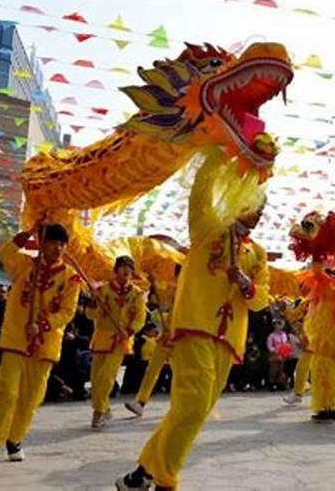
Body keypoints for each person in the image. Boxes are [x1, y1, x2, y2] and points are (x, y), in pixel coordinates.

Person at [117, 201, 270, 491]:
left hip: (228, 341)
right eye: (255, 205)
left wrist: (246, 283)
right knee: (196, 405)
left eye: (264, 209)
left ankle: (141, 474)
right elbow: (200, 194)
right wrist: (219, 160)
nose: (260, 214)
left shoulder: (257, 254)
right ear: (240, 199)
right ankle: (166, 479)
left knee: (190, 412)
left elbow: (261, 299)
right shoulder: (207, 230)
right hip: (195, 329)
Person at [0, 223, 82, 466]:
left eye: (62, 244)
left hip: (45, 345)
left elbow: (68, 311)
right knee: (5, 391)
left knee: (31, 397)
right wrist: (30, 232)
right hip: (15, 338)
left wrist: (44, 324)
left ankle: (14, 439)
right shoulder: (24, 265)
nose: (58, 248)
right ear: (43, 244)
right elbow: (4, 253)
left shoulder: (71, 277)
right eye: (53, 243)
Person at [88, 255, 147, 429]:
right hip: (101, 337)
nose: (126, 272)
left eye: (129, 270)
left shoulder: (137, 293)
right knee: (96, 379)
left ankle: (98, 412)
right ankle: (104, 407)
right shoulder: (103, 290)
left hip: (120, 340)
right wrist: (93, 301)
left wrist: (128, 331)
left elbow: (140, 318)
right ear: (115, 271)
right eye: (123, 268)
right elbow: (92, 315)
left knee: (106, 377)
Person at [125, 265, 181, 417]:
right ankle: (141, 401)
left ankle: (181, 403)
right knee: (153, 368)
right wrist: (154, 282)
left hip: (184, 337)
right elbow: (163, 305)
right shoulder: (173, 288)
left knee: (180, 372)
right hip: (167, 335)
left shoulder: (195, 292)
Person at [266, 321, 289, 390]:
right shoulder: (271, 335)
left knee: (281, 369)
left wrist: (285, 352)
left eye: (279, 324)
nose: (278, 326)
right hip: (274, 355)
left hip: (282, 354)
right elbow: (269, 346)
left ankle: (280, 384)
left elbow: (285, 343)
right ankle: (271, 384)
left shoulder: (284, 334)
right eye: (276, 324)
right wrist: (276, 350)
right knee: (273, 370)